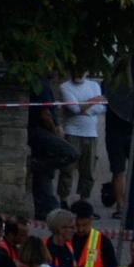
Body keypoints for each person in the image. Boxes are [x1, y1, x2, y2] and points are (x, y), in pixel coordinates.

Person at [57, 70, 105, 208]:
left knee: (88, 170)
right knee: (67, 169)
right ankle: (63, 200)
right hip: (72, 132)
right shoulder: (65, 87)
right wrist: (93, 101)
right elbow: (74, 109)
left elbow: (101, 108)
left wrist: (83, 106)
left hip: (91, 133)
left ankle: (84, 202)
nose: (78, 73)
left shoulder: (94, 85)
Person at [27, 77, 71, 220]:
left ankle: (43, 209)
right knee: (70, 153)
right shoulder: (41, 84)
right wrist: (55, 130)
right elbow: (45, 112)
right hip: (41, 131)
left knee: (44, 175)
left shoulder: (43, 83)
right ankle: (37, 165)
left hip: (41, 134)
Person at [104, 107, 134, 220]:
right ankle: (120, 205)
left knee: (123, 172)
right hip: (116, 135)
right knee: (118, 172)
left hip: (129, 132)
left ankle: (125, 204)